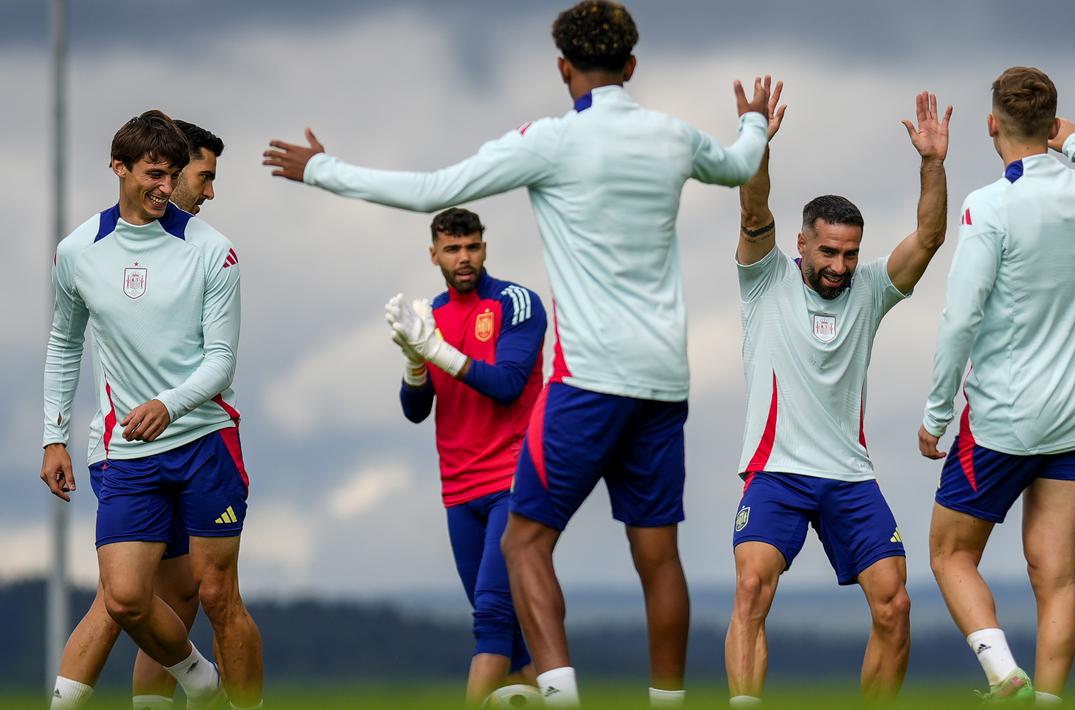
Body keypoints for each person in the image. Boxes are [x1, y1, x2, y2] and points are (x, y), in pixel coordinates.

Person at [263, 2, 770, 705]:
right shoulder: (673, 135)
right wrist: (754, 121)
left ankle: (559, 695)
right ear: (631, 65)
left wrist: (322, 169)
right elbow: (742, 162)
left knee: (523, 543)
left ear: (563, 68)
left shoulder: (550, 141)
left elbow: (433, 191)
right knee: (658, 557)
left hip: (590, 380)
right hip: (663, 381)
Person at [723, 83, 950, 707]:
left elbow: (929, 237)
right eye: (828, 252)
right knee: (752, 589)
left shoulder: (870, 288)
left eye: (850, 254)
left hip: (849, 475)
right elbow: (754, 211)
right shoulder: (765, 278)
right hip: (777, 471)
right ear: (801, 244)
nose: (840, 266)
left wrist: (932, 163)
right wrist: (756, 142)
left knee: (895, 604)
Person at [918, 66, 1075, 704]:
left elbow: (961, 318)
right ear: (1052, 124)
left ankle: (1002, 672)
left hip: (1004, 420)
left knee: (950, 554)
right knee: (1057, 577)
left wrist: (935, 413)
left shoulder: (990, 205)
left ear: (992, 124)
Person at [41, 110, 263, 710]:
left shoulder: (213, 251)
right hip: (127, 451)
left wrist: (168, 405)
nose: (167, 189)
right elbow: (63, 343)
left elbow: (221, 361)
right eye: (155, 175)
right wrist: (53, 436)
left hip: (205, 442)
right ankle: (202, 682)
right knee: (123, 599)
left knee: (215, 596)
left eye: (173, 176)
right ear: (119, 168)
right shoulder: (77, 251)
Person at [384, 207, 546, 707]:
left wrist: (435, 351)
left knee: (492, 617)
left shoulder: (516, 302)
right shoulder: (428, 316)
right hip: (458, 491)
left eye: (472, 246)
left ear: (485, 247)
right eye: (452, 249)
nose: (464, 257)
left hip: (514, 481)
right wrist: (415, 363)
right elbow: (416, 411)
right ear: (433, 254)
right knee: (509, 638)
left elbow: (508, 383)